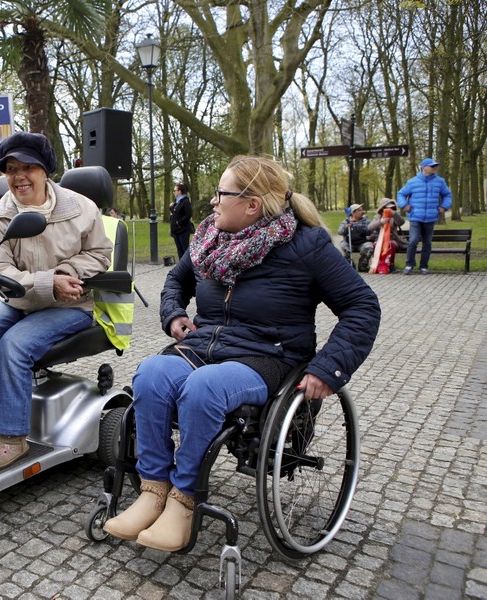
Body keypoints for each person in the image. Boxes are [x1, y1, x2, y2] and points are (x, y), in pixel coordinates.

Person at [101, 155, 380, 552]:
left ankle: (184, 500)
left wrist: (329, 367)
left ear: (252, 205)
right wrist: (174, 313)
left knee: (204, 387)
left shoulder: (306, 246)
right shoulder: (208, 241)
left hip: (269, 355)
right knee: (151, 373)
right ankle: (153, 491)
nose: (212, 202)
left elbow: (362, 307)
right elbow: (176, 281)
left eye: (221, 193)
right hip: (207, 344)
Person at [0, 132, 112, 471]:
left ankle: (13, 438)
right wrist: (47, 282)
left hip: (71, 306)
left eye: (28, 167)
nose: (19, 176)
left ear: (46, 170)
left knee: (14, 345)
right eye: (11, 168)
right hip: (22, 300)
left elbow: (100, 254)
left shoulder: (82, 208)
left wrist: (67, 272)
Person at [397, 157, 452, 274]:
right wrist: (404, 205)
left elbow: (447, 195)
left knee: (427, 243)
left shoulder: (440, 181)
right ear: (423, 167)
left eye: (435, 166)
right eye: (432, 166)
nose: (435, 168)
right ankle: (409, 265)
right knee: (413, 241)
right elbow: (401, 194)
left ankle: (423, 267)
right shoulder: (412, 182)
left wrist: (444, 207)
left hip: (431, 217)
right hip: (415, 217)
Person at [367, 198, 406, 273]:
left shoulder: (393, 217)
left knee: (391, 245)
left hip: (392, 239)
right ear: (382, 208)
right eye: (387, 208)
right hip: (379, 240)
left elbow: (401, 222)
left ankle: (391, 265)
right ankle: (378, 265)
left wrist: (394, 214)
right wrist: (381, 222)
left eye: (391, 208)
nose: (389, 209)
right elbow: (370, 227)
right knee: (377, 246)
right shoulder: (378, 217)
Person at [336, 203, 375, 271]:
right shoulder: (346, 221)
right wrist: (346, 227)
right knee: (342, 247)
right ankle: (350, 266)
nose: (361, 212)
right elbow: (340, 232)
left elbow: (373, 232)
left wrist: (371, 237)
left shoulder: (366, 221)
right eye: (359, 211)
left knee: (369, 247)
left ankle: (362, 266)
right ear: (353, 213)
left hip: (362, 242)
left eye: (361, 210)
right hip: (349, 242)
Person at [170, 183, 195, 259]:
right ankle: (181, 267)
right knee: (179, 249)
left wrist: (179, 222)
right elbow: (175, 213)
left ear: (180, 191)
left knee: (184, 249)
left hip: (183, 229)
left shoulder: (185, 202)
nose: (173, 192)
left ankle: (187, 266)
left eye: (175, 190)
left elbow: (188, 214)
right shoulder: (177, 202)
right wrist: (171, 207)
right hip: (176, 230)